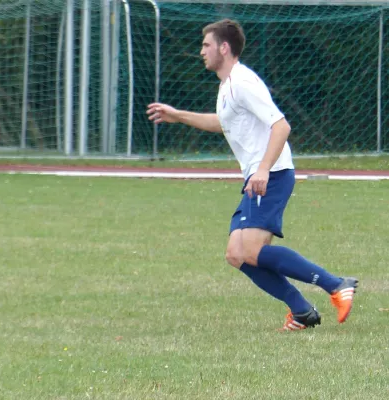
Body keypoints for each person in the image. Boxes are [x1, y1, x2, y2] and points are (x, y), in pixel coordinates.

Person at [146, 19, 358, 331]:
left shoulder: (242, 83)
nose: (201, 51)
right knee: (236, 254)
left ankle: (336, 285)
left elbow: (281, 126)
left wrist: (261, 170)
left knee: (252, 252)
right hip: (258, 177)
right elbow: (222, 122)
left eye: (206, 45)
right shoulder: (228, 85)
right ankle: (302, 311)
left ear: (224, 47)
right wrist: (178, 115)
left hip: (271, 174)